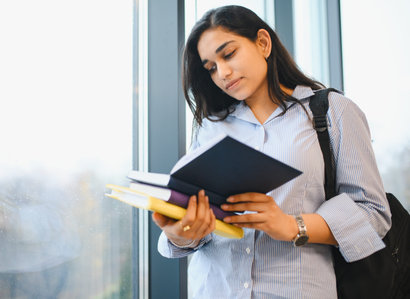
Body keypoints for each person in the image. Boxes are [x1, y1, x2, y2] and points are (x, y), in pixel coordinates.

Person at [152, 5, 391, 298]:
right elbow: (200, 223)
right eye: (211, 68)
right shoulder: (210, 127)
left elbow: (373, 214)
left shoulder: (332, 112)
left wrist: (293, 226)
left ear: (263, 43)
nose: (223, 73)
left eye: (228, 54)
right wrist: (181, 233)